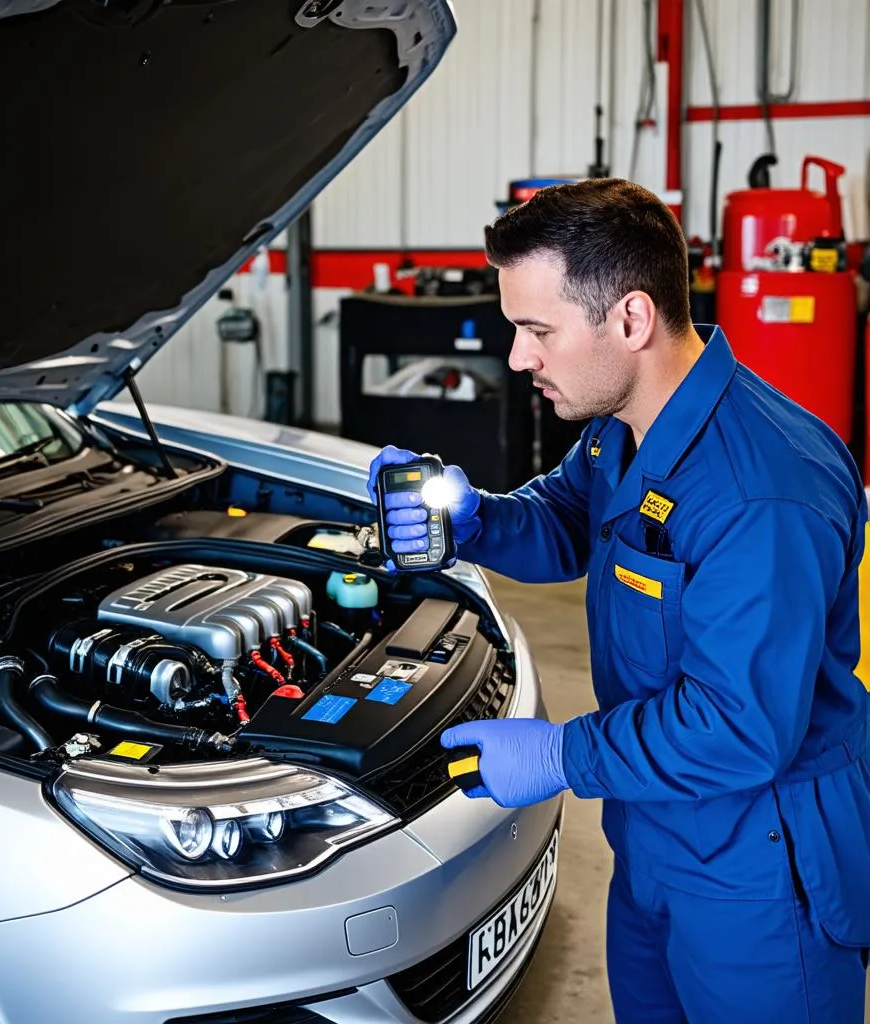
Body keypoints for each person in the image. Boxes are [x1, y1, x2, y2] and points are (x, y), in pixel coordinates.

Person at [367, 179, 870, 1023]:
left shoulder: (759, 495)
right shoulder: (621, 423)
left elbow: (739, 729)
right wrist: (473, 520)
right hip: (653, 828)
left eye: (537, 331)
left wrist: (559, 757)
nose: (520, 357)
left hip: (760, 866)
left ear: (630, 320)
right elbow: (571, 522)